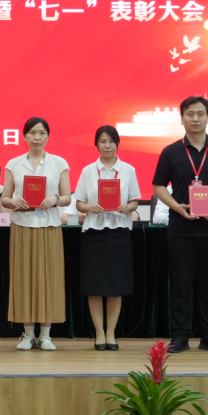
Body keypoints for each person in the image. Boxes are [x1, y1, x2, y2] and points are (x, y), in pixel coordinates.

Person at [152, 96, 208, 354]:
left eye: (200, 114)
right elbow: (158, 186)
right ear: (182, 118)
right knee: (181, 285)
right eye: (190, 114)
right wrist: (176, 206)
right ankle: (180, 336)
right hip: (181, 229)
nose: (195, 119)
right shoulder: (171, 152)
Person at [1, 117, 71, 351]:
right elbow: (5, 198)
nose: (37, 137)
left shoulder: (59, 163)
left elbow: (67, 197)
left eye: (41, 133)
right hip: (22, 225)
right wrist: (14, 202)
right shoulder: (13, 164)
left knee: (49, 277)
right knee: (24, 277)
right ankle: (28, 335)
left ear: (48, 137)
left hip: (49, 226)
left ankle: (46, 335)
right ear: (24, 137)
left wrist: (54, 199)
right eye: (32, 133)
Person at [74, 125, 141, 351]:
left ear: (117, 144)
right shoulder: (88, 171)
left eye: (111, 141)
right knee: (94, 286)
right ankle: (99, 333)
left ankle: (111, 332)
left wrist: (128, 207)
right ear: (96, 145)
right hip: (94, 233)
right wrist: (89, 207)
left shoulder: (128, 170)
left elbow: (134, 201)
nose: (107, 145)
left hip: (118, 232)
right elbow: (79, 202)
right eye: (103, 141)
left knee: (116, 286)